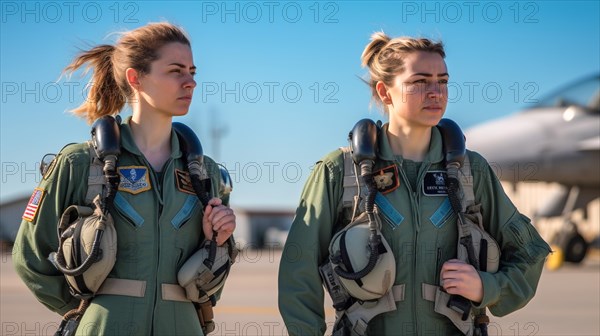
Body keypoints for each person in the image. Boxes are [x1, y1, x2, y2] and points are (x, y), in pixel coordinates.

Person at [278, 32, 551, 335]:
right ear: (385, 92)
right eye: (419, 82)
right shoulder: (339, 172)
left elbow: (531, 253)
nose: (436, 92)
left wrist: (487, 287)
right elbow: (297, 273)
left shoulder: (471, 172)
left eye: (443, 81)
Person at [13, 22, 236, 335]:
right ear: (136, 78)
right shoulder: (80, 163)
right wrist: (89, 311)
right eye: (175, 71)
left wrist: (221, 241)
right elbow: (29, 256)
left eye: (192, 71)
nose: (190, 83)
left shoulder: (205, 174)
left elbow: (212, 285)